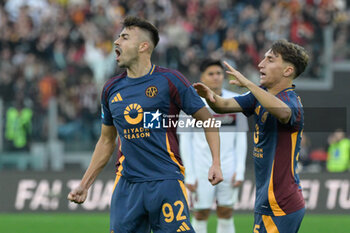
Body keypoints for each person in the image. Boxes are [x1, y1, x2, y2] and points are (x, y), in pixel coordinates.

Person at [67, 16, 223, 233]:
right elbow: (106, 140)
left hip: (166, 181)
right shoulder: (110, 88)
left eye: (124, 37)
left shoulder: (171, 80)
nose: (116, 42)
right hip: (127, 186)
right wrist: (84, 184)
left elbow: (208, 120)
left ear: (143, 46)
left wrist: (216, 162)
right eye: (118, 37)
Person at [194, 39, 309, 233]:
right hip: (267, 200)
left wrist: (248, 82)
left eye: (270, 59)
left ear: (288, 71)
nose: (261, 64)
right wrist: (209, 96)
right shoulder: (259, 95)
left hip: (280, 202)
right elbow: (223, 105)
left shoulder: (291, 100)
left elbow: (283, 113)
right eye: (263, 58)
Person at [178, 59, 248, 233]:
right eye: (211, 74)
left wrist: (239, 169)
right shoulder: (191, 103)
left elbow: (241, 139)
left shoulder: (235, 100)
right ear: (202, 77)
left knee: (226, 211)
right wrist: (189, 173)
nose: (216, 77)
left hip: (229, 166)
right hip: (201, 168)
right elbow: (185, 141)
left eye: (219, 73)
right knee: (200, 213)